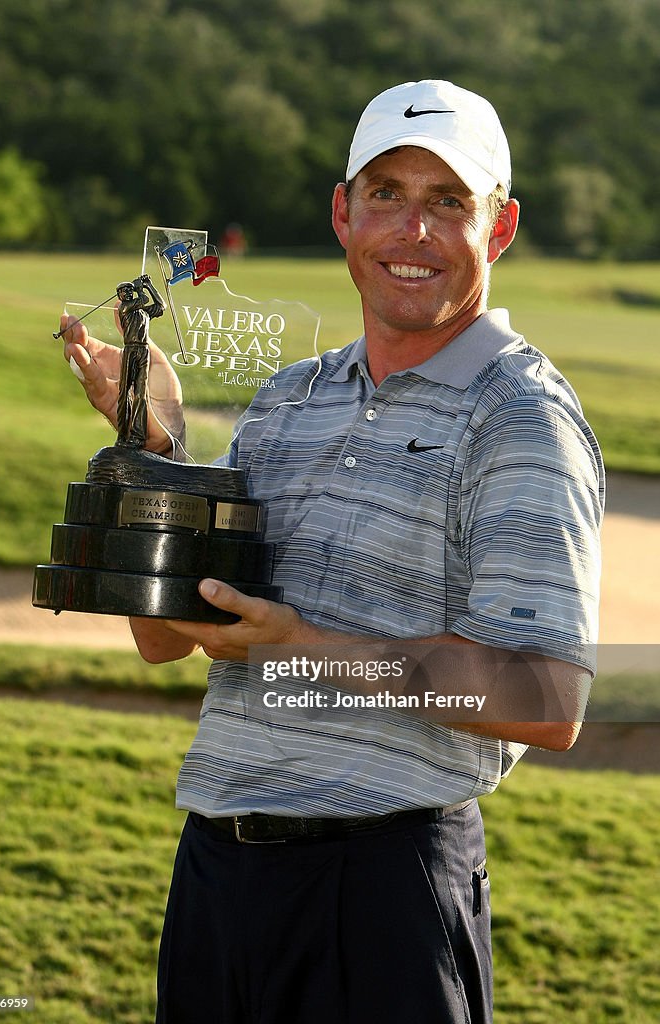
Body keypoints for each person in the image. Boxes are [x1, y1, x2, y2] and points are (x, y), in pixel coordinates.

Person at [61, 80, 604, 1024]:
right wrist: (159, 450)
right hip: (218, 875)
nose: (413, 231)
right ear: (341, 212)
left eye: (449, 202)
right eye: (387, 194)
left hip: (382, 891)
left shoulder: (520, 419)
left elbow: (545, 700)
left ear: (500, 227)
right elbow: (169, 636)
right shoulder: (286, 400)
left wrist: (292, 647)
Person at [114, 274, 166, 447]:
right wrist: (139, 288)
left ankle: (138, 436)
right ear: (119, 296)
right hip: (130, 350)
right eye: (124, 291)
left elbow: (161, 306)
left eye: (129, 289)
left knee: (140, 394)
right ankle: (122, 434)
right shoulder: (124, 307)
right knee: (124, 393)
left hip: (144, 350)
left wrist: (149, 285)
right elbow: (142, 299)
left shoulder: (143, 312)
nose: (127, 293)